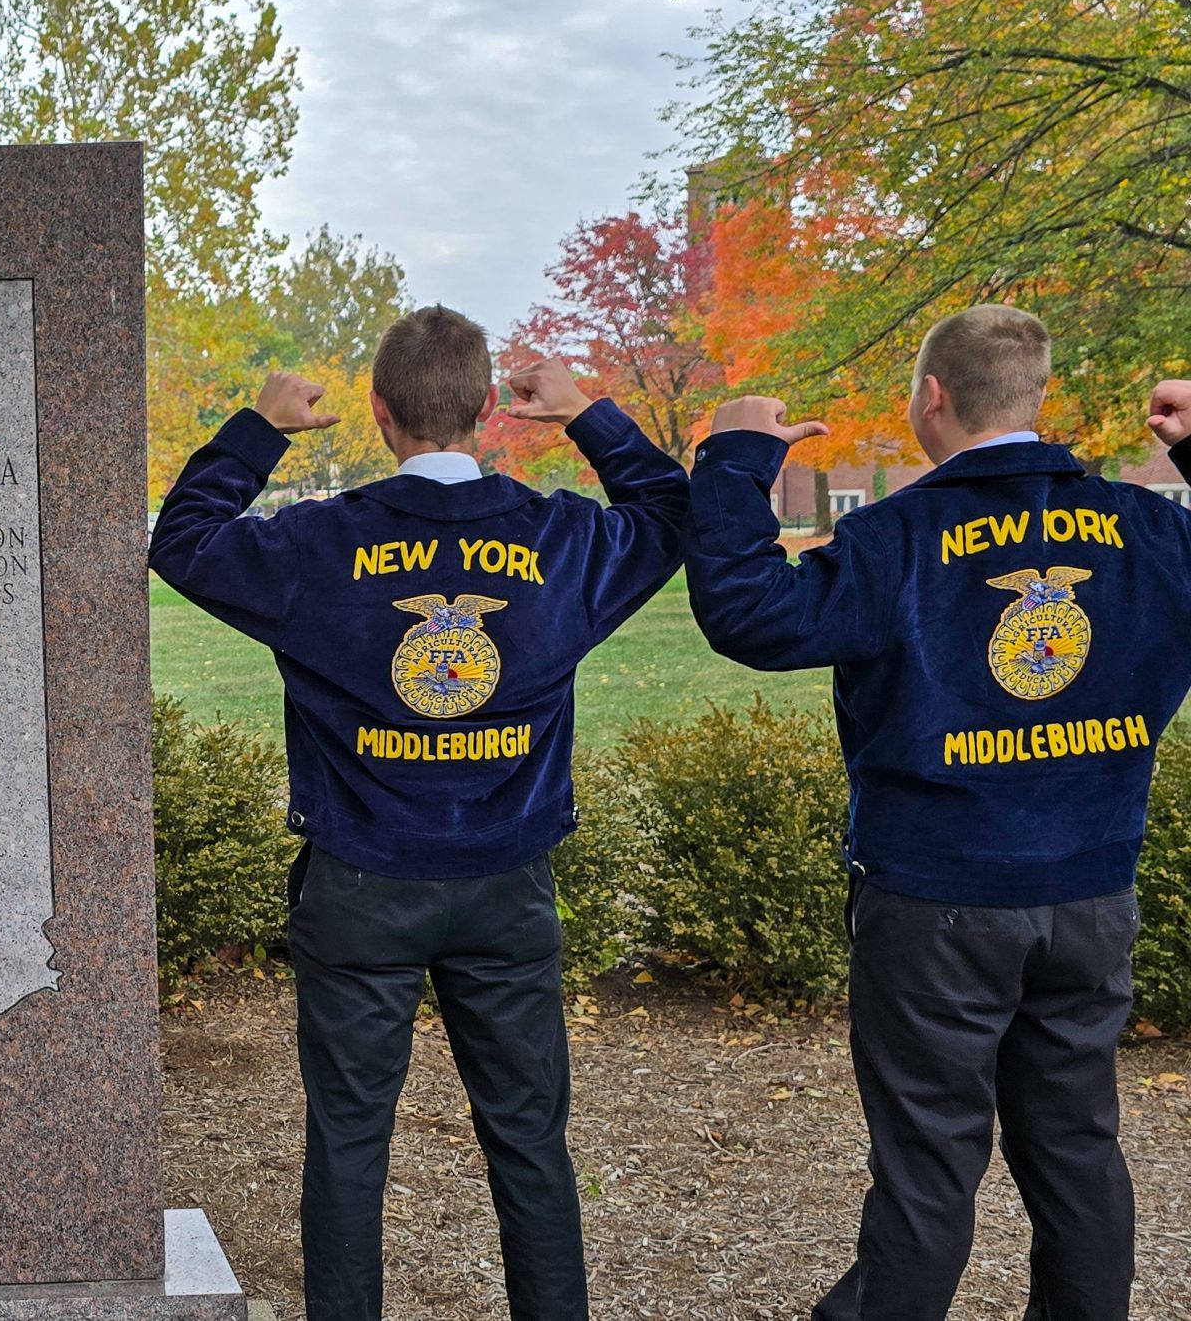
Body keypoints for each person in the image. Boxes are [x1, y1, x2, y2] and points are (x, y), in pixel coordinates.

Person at [149, 306, 689, 1321]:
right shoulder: (557, 538)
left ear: (378, 410)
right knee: (527, 1136)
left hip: (359, 882)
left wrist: (257, 430)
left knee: (349, 1142)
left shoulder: (317, 543)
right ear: (488, 409)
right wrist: (586, 415)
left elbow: (181, 540)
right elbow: (668, 516)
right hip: (504, 884)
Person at [686, 304, 1191, 1321]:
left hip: (933, 901)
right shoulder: (1148, 531)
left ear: (930, 397)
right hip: (1088, 891)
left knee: (926, 1169)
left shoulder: (897, 538)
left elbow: (748, 611)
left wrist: (736, 457)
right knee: (1079, 1151)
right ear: (1036, 396)